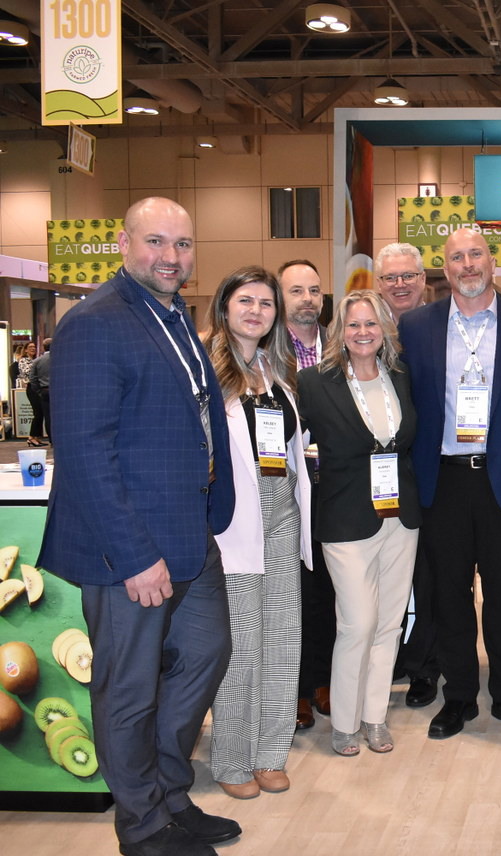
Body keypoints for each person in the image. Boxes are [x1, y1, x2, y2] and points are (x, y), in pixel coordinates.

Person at [38, 196, 240, 856]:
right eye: (156, 242)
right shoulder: (95, 322)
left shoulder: (174, 315)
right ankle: (143, 826)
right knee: (127, 689)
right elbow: (84, 449)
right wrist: (133, 556)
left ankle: (169, 794)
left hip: (189, 536)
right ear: (124, 245)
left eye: (182, 244)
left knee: (205, 655)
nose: (171, 257)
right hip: (128, 550)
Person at [398, 227, 501, 741]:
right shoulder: (416, 326)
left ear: (493, 260)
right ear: (445, 268)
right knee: (449, 596)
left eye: (476, 254)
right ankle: (459, 695)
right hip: (442, 480)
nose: (467, 265)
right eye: (457, 257)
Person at [202, 266, 311, 799]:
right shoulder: (206, 371)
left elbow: (288, 451)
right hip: (233, 524)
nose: (256, 311)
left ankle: (270, 753)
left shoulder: (276, 373)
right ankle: (231, 757)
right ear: (225, 307)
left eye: (266, 304)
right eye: (245, 301)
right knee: (241, 646)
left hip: (282, 516)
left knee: (283, 639)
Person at [297, 290, 420, 756]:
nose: (363, 332)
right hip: (345, 519)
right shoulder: (314, 382)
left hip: (401, 517)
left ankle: (375, 717)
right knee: (357, 623)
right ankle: (345, 723)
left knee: (389, 623)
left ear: (384, 330)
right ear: (340, 332)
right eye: (353, 325)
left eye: (371, 324)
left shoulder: (401, 377)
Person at [375, 242, 442, 711]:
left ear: (422, 280)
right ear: (378, 284)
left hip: (430, 473)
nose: (399, 284)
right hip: (376, 474)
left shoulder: (440, 328)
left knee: (429, 577)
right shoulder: (364, 329)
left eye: (408, 276)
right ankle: (386, 657)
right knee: (379, 575)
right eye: (390, 277)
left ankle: (425, 665)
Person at [279, 259, 335, 732]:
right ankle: (295, 688)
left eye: (314, 290)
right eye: (296, 290)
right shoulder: (266, 350)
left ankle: (324, 680)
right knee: (292, 590)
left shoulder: (341, 344)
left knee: (329, 588)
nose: (307, 299)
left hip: (335, 486)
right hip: (284, 485)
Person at [28, 339, 52, 445]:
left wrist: (38, 391)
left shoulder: (37, 361)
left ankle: (52, 440)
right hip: (58, 392)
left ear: (43, 347)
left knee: (48, 416)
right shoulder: (60, 359)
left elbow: (32, 378)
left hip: (44, 390)